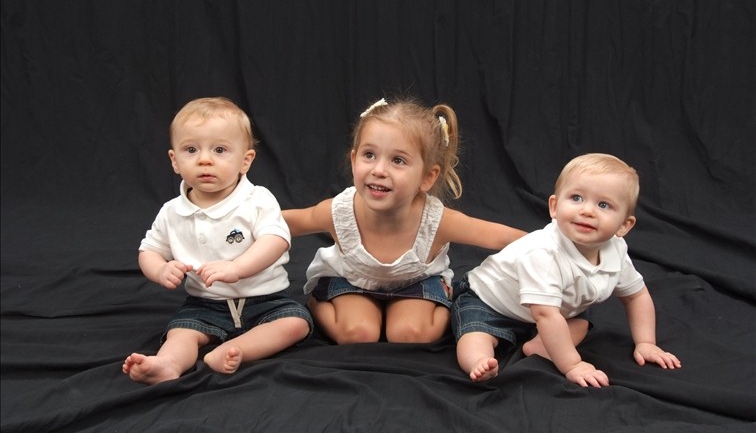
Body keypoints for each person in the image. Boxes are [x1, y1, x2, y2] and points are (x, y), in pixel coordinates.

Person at [283, 97, 526, 345]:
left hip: (416, 285)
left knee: (411, 335)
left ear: (427, 177)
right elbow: (289, 222)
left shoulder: (436, 221)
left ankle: (447, 300)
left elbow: (500, 237)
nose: (379, 170)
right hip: (350, 281)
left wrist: (548, 245)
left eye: (397, 160)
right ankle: (317, 300)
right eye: (369, 155)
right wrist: (257, 218)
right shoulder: (339, 212)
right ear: (354, 159)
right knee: (358, 334)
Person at [123, 97, 313, 385]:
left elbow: (275, 239)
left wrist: (237, 267)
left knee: (296, 323)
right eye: (191, 150)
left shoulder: (257, 200)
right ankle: (167, 364)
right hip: (205, 303)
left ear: (245, 161)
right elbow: (149, 250)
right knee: (181, 332)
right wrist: (160, 269)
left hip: (265, 299)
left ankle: (235, 349)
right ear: (174, 160)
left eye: (220, 150)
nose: (204, 160)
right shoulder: (172, 212)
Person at [452, 153, 682, 387]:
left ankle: (540, 346)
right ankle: (479, 361)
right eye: (576, 198)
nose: (587, 211)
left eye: (603, 205)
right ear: (554, 206)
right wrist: (573, 365)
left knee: (579, 325)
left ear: (624, 225)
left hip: (546, 314)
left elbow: (636, 296)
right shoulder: (544, 252)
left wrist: (646, 343)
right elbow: (545, 314)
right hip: (489, 302)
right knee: (476, 333)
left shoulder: (616, 250)